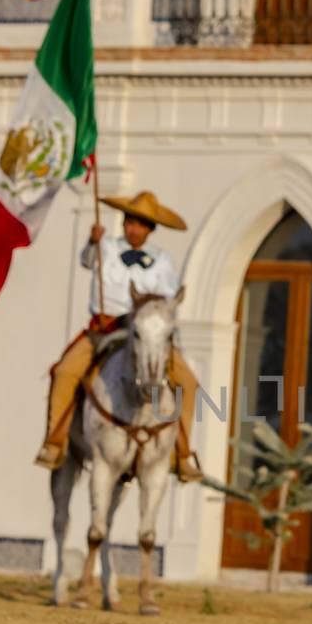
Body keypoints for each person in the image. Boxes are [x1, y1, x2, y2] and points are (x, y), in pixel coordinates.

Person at [36, 190, 204, 483]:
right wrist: (93, 240)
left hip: (146, 334)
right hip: (107, 328)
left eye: (140, 224)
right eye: (129, 222)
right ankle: (55, 441)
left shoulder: (163, 261)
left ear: (150, 229)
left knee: (188, 383)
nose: (133, 229)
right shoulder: (106, 247)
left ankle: (182, 453)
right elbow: (87, 260)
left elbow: (167, 300)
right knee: (64, 372)